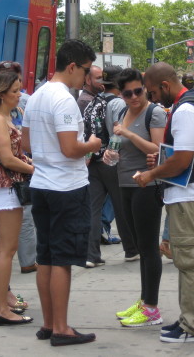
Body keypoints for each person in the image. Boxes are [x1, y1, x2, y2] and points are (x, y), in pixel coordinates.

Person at [22, 39, 101, 346]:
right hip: (66, 187)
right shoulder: (65, 99)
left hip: (41, 184)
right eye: (84, 71)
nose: (85, 78)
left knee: (46, 256)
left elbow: (26, 144)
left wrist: (47, 152)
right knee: (62, 260)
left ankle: (48, 323)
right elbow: (71, 149)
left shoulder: (37, 95)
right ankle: (62, 328)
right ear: (72, 67)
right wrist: (92, 145)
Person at [134, 62, 194, 343]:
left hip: (188, 197)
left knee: (191, 263)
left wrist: (151, 173)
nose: (152, 99)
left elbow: (183, 159)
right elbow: (180, 155)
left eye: (153, 93)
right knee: (187, 261)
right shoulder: (190, 104)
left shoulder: (186, 110)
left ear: (165, 86)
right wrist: (161, 161)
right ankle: (188, 320)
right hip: (187, 194)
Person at [110, 68, 166, 327]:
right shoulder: (122, 112)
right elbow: (118, 145)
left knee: (148, 247)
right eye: (127, 93)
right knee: (139, 246)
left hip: (147, 184)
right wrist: (111, 154)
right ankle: (145, 301)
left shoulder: (153, 113)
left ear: (145, 88)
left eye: (138, 91)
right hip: (125, 182)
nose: (133, 97)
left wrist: (128, 134)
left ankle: (152, 309)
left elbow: (158, 149)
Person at [0, 71, 34, 326]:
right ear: (1, 94)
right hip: (5, 186)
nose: (19, 94)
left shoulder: (2, 118)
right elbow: (7, 159)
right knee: (6, 249)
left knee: (5, 248)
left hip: (7, 186)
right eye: (15, 91)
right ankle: (2, 308)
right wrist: (37, 170)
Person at [83, 65, 138, 268]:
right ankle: (131, 249)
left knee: (93, 208)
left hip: (92, 161)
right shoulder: (118, 104)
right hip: (112, 162)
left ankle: (91, 254)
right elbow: (118, 132)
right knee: (122, 205)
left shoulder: (92, 102)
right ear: (119, 84)